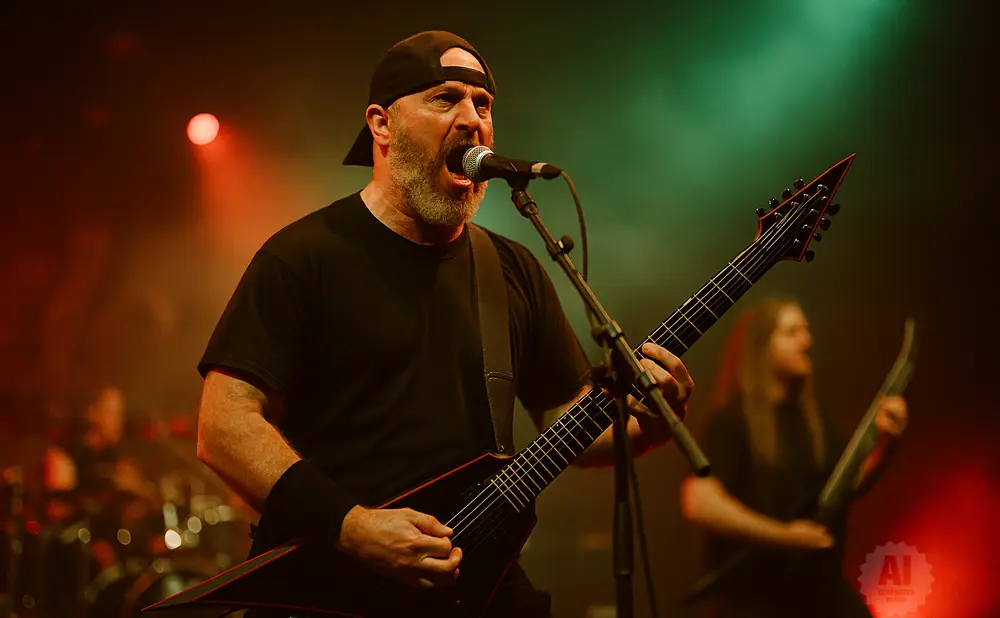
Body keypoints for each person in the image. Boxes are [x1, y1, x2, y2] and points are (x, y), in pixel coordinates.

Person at [195, 30, 695, 617]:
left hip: (472, 581)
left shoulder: (509, 267)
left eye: (483, 105)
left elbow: (568, 417)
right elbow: (223, 425)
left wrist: (650, 425)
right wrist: (352, 526)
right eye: (445, 99)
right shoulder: (304, 257)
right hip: (332, 589)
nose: (472, 120)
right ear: (381, 125)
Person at [680, 298, 909, 618]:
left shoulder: (813, 420)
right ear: (762, 346)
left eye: (806, 330)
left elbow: (848, 485)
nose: (807, 340)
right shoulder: (732, 420)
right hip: (754, 599)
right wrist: (784, 537)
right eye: (792, 332)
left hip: (817, 594)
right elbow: (699, 500)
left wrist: (888, 443)